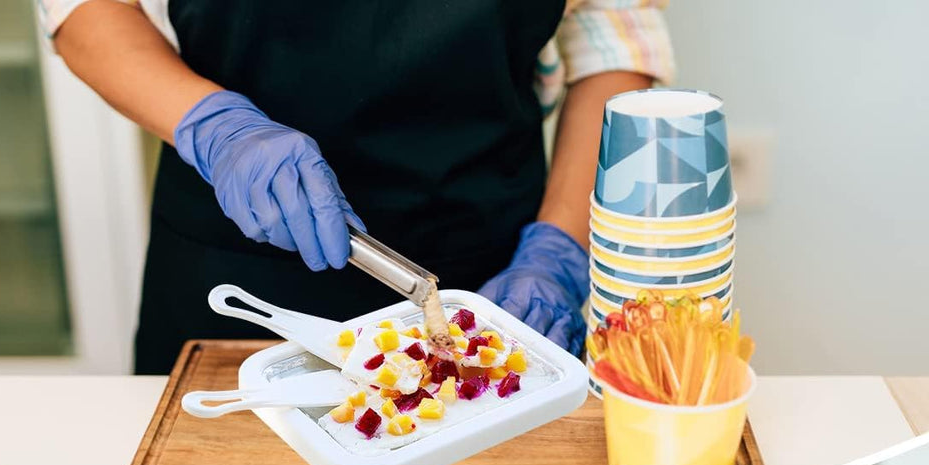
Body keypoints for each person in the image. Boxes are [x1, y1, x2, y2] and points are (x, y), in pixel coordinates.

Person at [38, 1, 674, 372]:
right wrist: (217, 130)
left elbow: (610, 30)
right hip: (235, 253)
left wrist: (560, 248)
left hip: (490, 273)